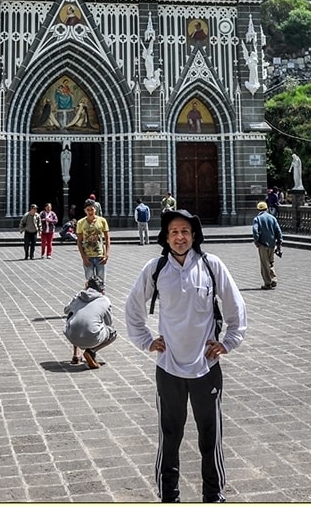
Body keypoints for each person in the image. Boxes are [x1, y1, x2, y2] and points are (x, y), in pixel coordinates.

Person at [125, 209, 247, 504]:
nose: (180, 237)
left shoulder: (211, 266)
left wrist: (229, 341)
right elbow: (133, 308)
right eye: (174, 232)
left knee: (210, 435)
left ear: (194, 236)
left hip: (206, 366)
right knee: (170, 435)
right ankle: (169, 495)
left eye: (185, 232)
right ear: (166, 238)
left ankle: (213, 494)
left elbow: (235, 305)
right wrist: (145, 340)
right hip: (169, 367)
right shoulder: (156, 269)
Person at [64, 276, 117, 369]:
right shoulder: (104, 300)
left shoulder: (78, 296)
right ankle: (91, 351)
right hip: (92, 337)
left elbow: (66, 310)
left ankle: (76, 354)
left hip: (73, 336)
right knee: (113, 332)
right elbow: (109, 323)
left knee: (72, 316)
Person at [76, 200, 110, 282]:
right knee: (89, 282)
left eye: (92, 209)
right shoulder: (80, 223)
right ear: (85, 210)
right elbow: (79, 241)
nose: (90, 212)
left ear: (96, 209)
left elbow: (107, 238)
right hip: (88, 256)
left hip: (100, 256)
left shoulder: (102, 221)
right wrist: (83, 257)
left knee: (102, 282)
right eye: (88, 210)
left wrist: (106, 255)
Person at [253, 201, 283, 289]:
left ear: (258, 209)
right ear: (266, 209)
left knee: (264, 264)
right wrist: (279, 242)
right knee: (271, 263)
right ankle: (274, 279)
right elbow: (278, 230)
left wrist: (256, 241)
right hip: (272, 244)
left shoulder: (257, 219)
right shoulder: (272, 218)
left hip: (262, 244)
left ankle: (268, 282)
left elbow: (255, 230)